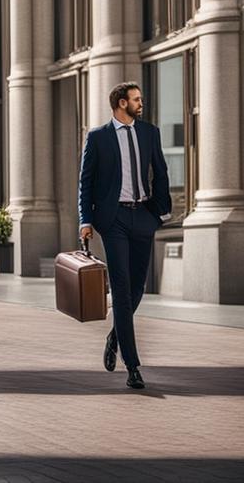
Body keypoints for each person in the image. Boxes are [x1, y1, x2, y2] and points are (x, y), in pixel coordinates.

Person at [78, 82, 171, 390]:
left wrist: (160, 213)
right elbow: (85, 183)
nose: (140, 103)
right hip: (113, 219)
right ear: (121, 103)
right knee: (120, 290)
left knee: (137, 288)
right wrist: (86, 220)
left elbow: (160, 171)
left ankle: (115, 335)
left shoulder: (149, 133)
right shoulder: (98, 138)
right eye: (135, 99)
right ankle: (132, 366)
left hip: (143, 216)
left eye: (140, 98)